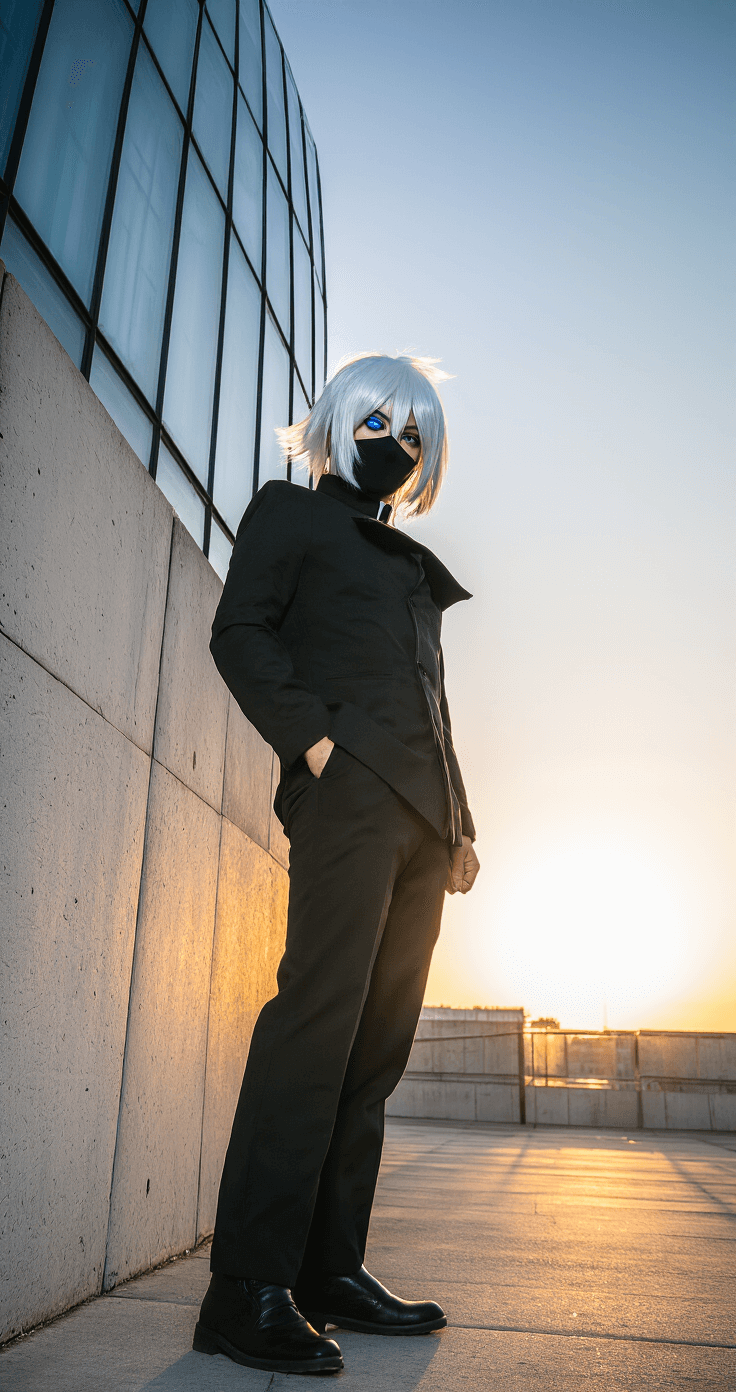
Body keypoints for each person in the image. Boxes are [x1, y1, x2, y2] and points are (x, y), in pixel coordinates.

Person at [193, 352, 480, 1375]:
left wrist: (461, 822)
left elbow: (430, 704)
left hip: (420, 825)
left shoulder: (405, 567)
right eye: (380, 428)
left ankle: (327, 1269)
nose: (395, 449)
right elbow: (239, 634)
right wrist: (314, 744)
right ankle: (247, 1290)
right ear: (339, 420)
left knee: (374, 1053)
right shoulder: (289, 513)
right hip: (347, 801)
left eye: (413, 439)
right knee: (313, 1029)